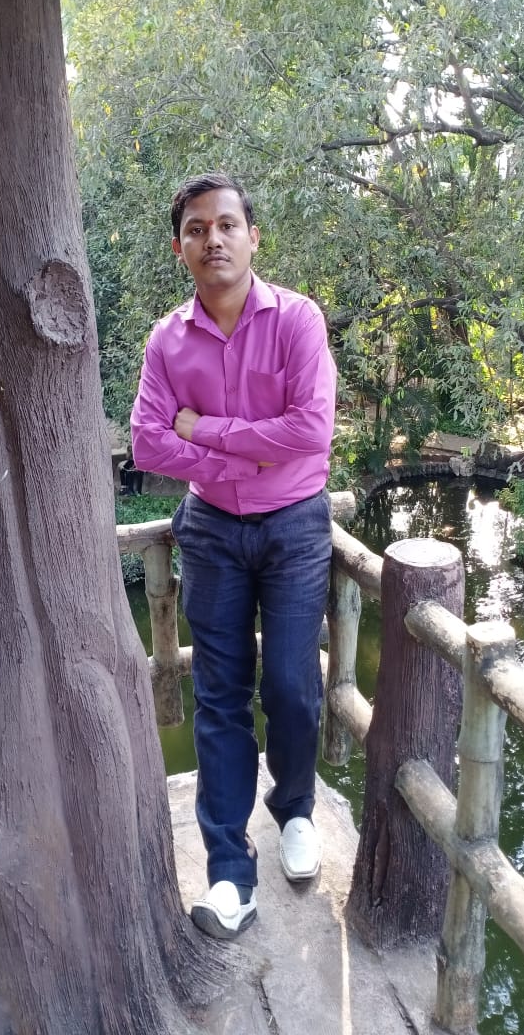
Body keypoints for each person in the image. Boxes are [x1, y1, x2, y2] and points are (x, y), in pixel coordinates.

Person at [130, 172, 337, 940]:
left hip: (295, 528)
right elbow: (148, 444)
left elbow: (311, 431)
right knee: (219, 698)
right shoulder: (167, 340)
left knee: (291, 685)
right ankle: (229, 872)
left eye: (226, 224)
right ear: (179, 247)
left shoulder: (298, 320)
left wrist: (206, 432)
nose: (212, 238)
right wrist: (249, 456)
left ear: (253, 236)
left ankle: (295, 808)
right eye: (196, 228)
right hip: (212, 531)